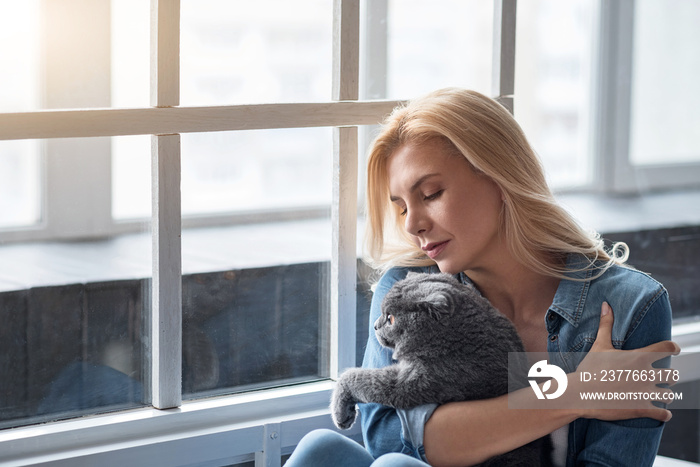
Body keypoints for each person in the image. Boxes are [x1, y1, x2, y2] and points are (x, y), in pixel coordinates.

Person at [285, 88, 679, 467]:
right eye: (402, 207)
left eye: (432, 193)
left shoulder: (632, 306)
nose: (414, 225)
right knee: (323, 450)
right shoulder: (409, 290)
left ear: (500, 178)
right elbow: (388, 437)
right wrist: (571, 395)